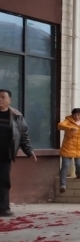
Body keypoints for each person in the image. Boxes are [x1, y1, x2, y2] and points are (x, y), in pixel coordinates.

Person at [0, 89, 36, 217]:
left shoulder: (16, 116)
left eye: (3, 97)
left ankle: (3, 208)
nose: (0, 99)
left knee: (4, 181)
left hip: (4, 156)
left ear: (9, 100)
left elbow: (23, 135)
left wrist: (29, 151)